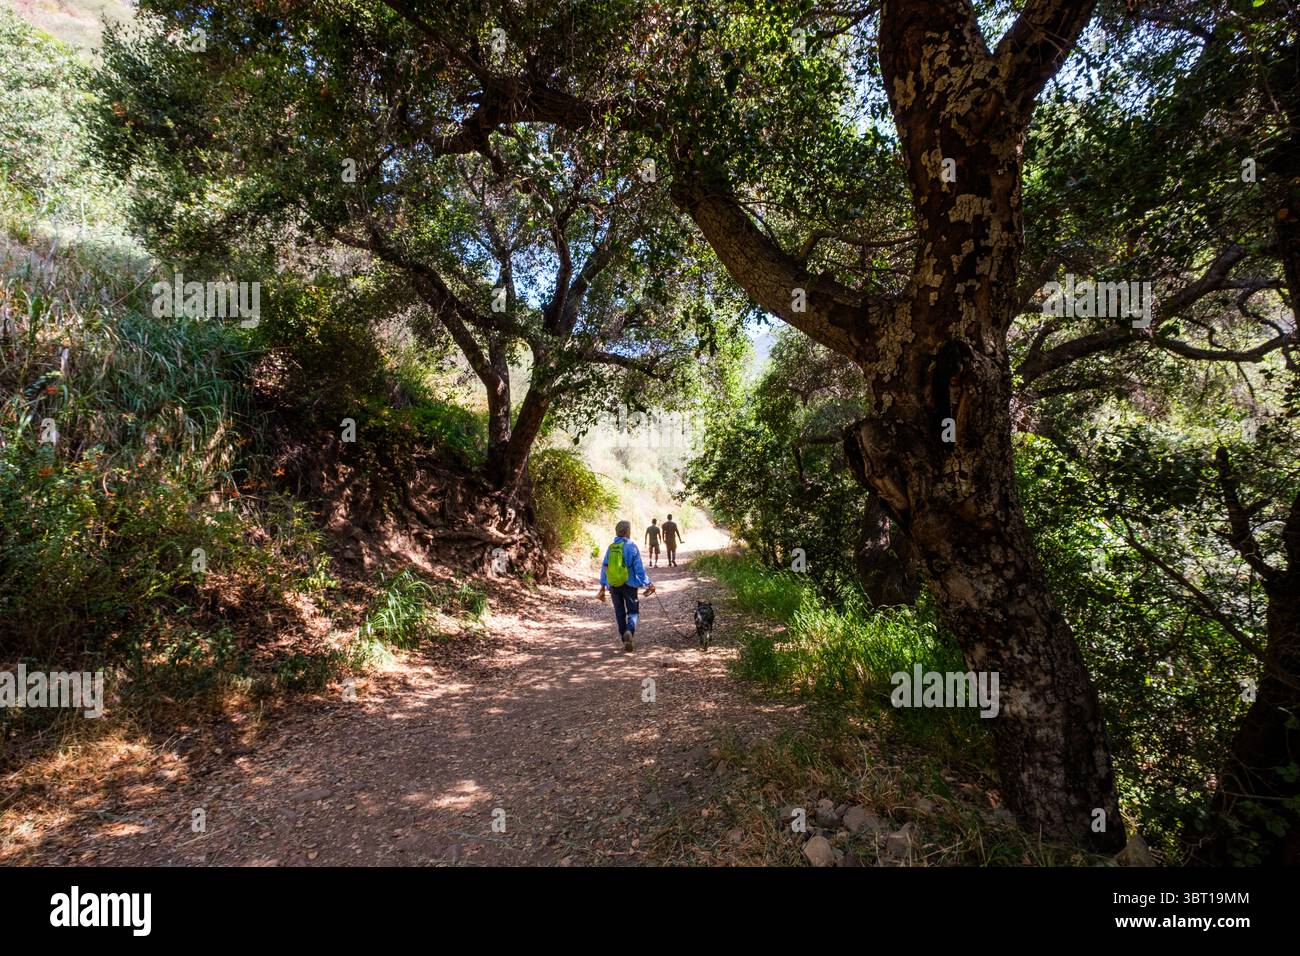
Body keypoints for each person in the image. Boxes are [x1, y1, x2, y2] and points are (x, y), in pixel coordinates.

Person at [597, 520, 655, 652]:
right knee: (633, 611)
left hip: (613, 585)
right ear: (628, 532)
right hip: (630, 584)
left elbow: (605, 566)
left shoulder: (611, 547)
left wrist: (603, 585)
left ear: (617, 532)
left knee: (619, 612)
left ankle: (624, 638)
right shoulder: (632, 546)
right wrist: (648, 583)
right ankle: (629, 630)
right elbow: (639, 569)